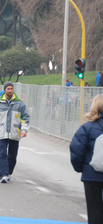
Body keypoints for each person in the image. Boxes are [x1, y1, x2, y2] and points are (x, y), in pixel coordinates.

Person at [70, 94, 103, 224]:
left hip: (92, 175)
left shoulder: (87, 128)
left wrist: (81, 168)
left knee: (94, 210)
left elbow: (77, 150)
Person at [0, 82, 30, 183]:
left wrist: (24, 130)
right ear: (5, 90)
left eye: (11, 88)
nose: (10, 90)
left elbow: (25, 118)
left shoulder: (19, 104)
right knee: (2, 154)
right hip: (2, 133)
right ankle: (3, 174)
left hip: (15, 133)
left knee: (12, 156)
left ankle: (9, 172)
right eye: (8, 89)